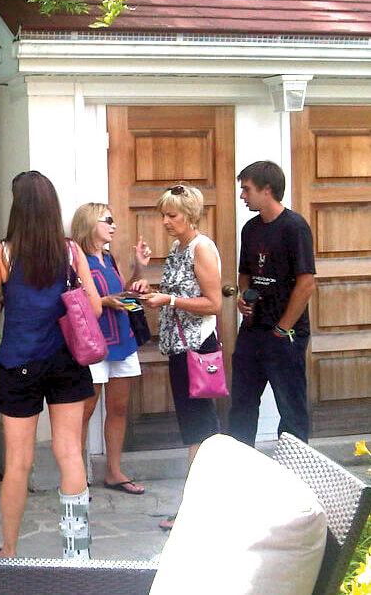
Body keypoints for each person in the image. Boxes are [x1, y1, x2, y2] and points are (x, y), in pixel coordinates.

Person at [0, 171, 101, 560]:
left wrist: (4, 302)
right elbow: (93, 307)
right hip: (66, 361)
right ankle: (77, 554)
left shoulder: (3, 253)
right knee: (69, 454)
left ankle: (9, 551)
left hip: (19, 364)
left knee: (18, 463)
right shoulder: (71, 252)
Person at [141, 185, 222, 531]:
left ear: (190, 215)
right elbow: (176, 290)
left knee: (200, 430)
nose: (165, 221)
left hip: (197, 348)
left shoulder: (201, 248)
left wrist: (169, 302)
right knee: (193, 429)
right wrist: (152, 290)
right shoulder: (178, 247)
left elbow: (214, 302)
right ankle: (198, 507)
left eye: (171, 215)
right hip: (179, 348)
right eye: (163, 214)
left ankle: (199, 510)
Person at [229, 161, 316, 446]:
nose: (242, 196)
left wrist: (282, 329)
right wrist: (243, 297)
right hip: (253, 332)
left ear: (267, 190)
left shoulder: (294, 227)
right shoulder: (250, 229)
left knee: (291, 410)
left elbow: (306, 284)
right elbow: (245, 274)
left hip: (284, 335)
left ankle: (295, 473)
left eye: (246, 189)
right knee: (241, 406)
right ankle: (242, 469)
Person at [71, 203, 151, 496]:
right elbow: (77, 301)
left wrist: (139, 270)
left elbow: (121, 292)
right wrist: (104, 302)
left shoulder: (108, 258)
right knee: (85, 410)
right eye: (108, 220)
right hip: (94, 343)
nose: (114, 226)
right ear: (90, 223)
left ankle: (114, 471)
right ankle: (76, 476)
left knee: (118, 408)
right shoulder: (77, 260)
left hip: (122, 340)